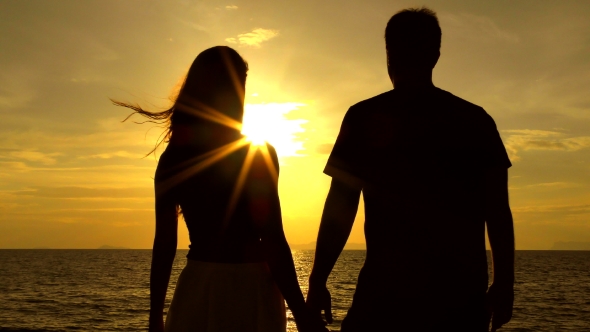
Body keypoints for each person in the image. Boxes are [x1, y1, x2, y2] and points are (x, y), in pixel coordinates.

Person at [306, 7, 515, 332]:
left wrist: (317, 280)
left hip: (385, 299)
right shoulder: (476, 121)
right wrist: (504, 284)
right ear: (436, 54)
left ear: (389, 55)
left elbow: (340, 207)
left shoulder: (364, 117)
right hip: (458, 300)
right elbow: (498, 212)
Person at [114, 46, 326, 332]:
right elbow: (273, 238)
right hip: (251, 291)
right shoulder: (258, 153)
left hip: (199, 289)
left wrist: (155, 316)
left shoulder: (174, 158)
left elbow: (164, 244)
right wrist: (301, 313)